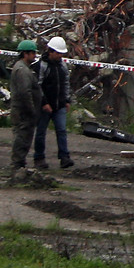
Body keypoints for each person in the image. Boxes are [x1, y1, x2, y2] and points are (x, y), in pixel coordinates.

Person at [33, 35, 74, 169]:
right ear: (50, 51)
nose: (60, 56)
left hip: (59, 105)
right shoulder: (42, 66)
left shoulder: (62, 65)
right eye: (58, 53)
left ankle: (64, 157)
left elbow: (66, 82)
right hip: (44, 106)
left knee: (61, 130)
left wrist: (67, 99)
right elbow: (38, 86)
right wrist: (44, 103)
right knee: (40, 132)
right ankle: (39, 158)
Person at [9, 40, 43, 172]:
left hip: (22, 110)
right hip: (23, 111)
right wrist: (32, 110)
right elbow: (25, 92)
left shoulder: (23, 68)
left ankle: (19, 163)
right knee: (22, 137)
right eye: (32, 52)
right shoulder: (22, 70)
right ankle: (17, 164)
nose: (35, 55)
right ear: (25, 53)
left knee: (23, 136)